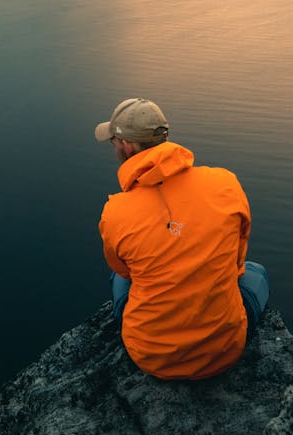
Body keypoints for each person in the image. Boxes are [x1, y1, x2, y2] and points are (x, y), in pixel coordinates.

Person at [95, 97, 269, 380]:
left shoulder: (115, 212)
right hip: (225, 350)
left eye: (113, 141)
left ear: (126, 146)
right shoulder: (225, 183)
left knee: (120, 280)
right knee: (256, 272)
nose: (114, 147)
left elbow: (123, 271)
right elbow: (237, 260)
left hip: (151, 357)